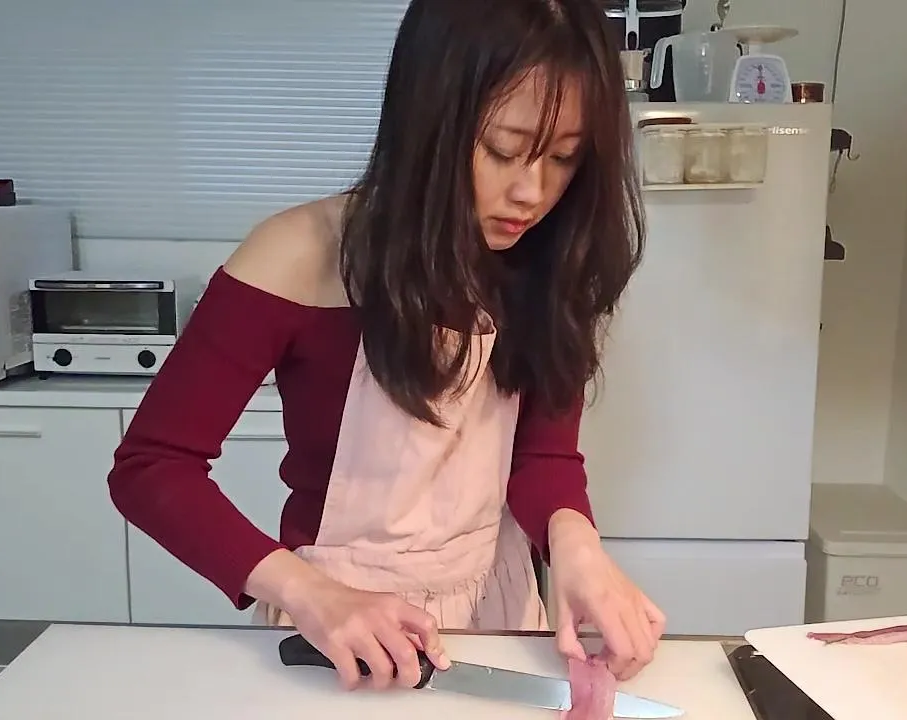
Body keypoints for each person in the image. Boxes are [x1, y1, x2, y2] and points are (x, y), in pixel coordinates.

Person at [107, 0, 664, 693]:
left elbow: (542, 455)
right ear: (428, 120)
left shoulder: (547, 259)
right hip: (338, 629)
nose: (532, 192)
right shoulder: (300, 253)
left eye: (563, 157)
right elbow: (152, 467)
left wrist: (576, 543)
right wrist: (308, 592)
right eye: (502, 149)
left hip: (496, 614)